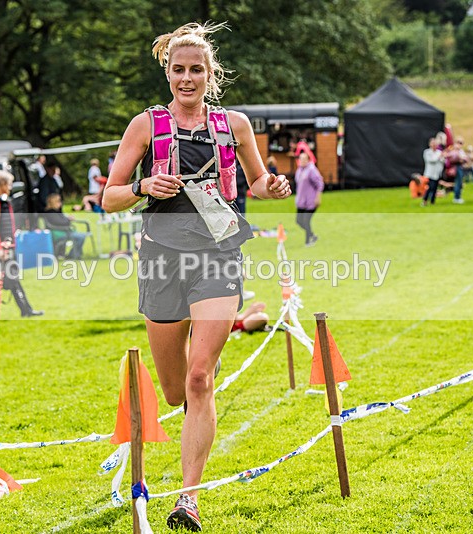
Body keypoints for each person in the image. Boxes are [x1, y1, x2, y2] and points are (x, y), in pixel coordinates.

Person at [101, 22, 291, 531]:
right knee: (173, 392)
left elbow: (259, 183)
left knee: (200, 376)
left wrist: (273, 186)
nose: (188, 78)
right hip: (162, 259)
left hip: (219, 255)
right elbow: (109, 196)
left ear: (211, 74)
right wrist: (144, 186)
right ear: (168, 73)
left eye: (197, 70)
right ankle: (194, 410)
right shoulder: (145, 126)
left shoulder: (236, 125)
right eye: (179, 69)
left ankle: (189, 498)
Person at [0, 170, 43, 316]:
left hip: (2, 249)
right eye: (9, 184)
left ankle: (26, 310)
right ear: (2, 184)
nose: (11, 187)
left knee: (10, 280)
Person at [42, 193, 88, 259]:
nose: (60, 203)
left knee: (81, 236)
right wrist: (69, 220)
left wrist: (67, 220)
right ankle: (73, 255)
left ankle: (75, 254)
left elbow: (62, 220)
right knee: (80, 237)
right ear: (53, 202)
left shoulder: (57, 211)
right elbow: (58, 222)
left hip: (64, 231)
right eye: (58, 201)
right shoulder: (50, 212)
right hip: (59, 232)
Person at [294, 151, 323, 246]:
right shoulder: (299, 170)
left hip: (311, 201)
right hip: (301, 202)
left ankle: (308, 241)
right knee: (299, 221)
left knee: (306, 221)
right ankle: (312, 235)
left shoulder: (311, 170)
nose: (302, 161)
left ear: (308, 160)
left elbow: (319, 184)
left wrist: (318, 198)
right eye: (300, 159)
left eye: (304, 159)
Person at [421, 137, 444, 207]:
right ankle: (425, 200)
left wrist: (442, 157)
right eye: (433, 144)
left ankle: (432, 201)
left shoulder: (439, 152)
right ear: (430, 144)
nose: (434, 145)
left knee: (435, 188)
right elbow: (432, 160)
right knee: (430, 187)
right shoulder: (427, 152)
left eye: (435, 144)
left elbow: (443, 161)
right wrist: (439, 156)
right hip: (430, 173)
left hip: (437, 173)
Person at [444, 136, 467, 204]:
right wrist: (460, 158)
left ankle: (458, 197)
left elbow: (465, 159)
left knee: (459, 183)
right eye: (459, 142)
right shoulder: (453, 150)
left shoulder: (460, 151)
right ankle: (456, 198)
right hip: (456, 167)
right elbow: (451, 157)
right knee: (458, 182)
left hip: (460, 167)